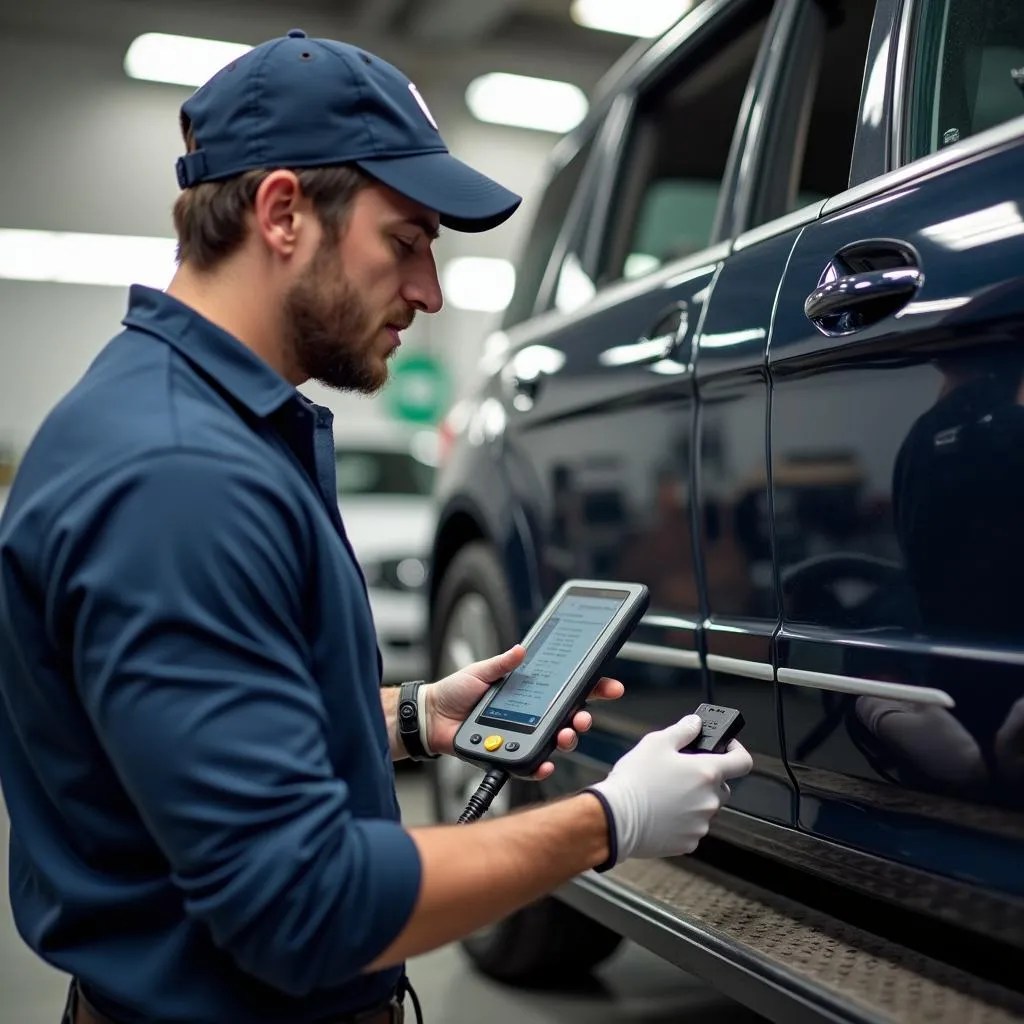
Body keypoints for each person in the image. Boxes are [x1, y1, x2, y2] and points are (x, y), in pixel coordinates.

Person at [0, 30, 754, 1024]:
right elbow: (300, 904)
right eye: (404, 241)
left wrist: (409, 715)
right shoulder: (179, 477)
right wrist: (608, 819)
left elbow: (191, 742)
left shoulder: (195, 422)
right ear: (282, 213)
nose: (429, 292)